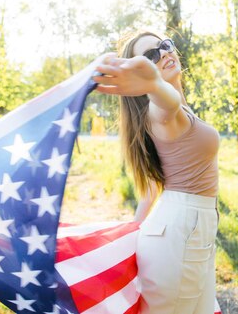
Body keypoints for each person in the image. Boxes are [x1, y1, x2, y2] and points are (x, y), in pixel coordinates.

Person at [93, 31, 221, 314]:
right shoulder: (160, 112)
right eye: (150, 56)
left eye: (165, 46)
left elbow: (152, 189)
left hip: (185, 230)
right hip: (182, 232)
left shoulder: (183, 112)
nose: (163, 54)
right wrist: (152, 83)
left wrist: (132, 233)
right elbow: (167, 103)